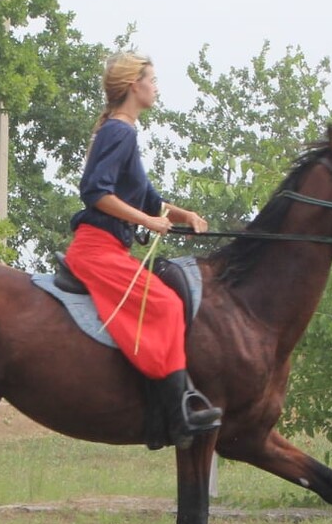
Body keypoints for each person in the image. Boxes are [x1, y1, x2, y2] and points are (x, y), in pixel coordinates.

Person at [62, 51, 221, 448]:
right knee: (166, 306)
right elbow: (95, 193)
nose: (156, 86)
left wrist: (183, 215)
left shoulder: (123, 131)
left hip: (110, 247)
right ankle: (177, 414)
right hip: (97, 250)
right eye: (152, 79)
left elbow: (149, 199)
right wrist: (149, 222)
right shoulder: (121, 131)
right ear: (135, 85)